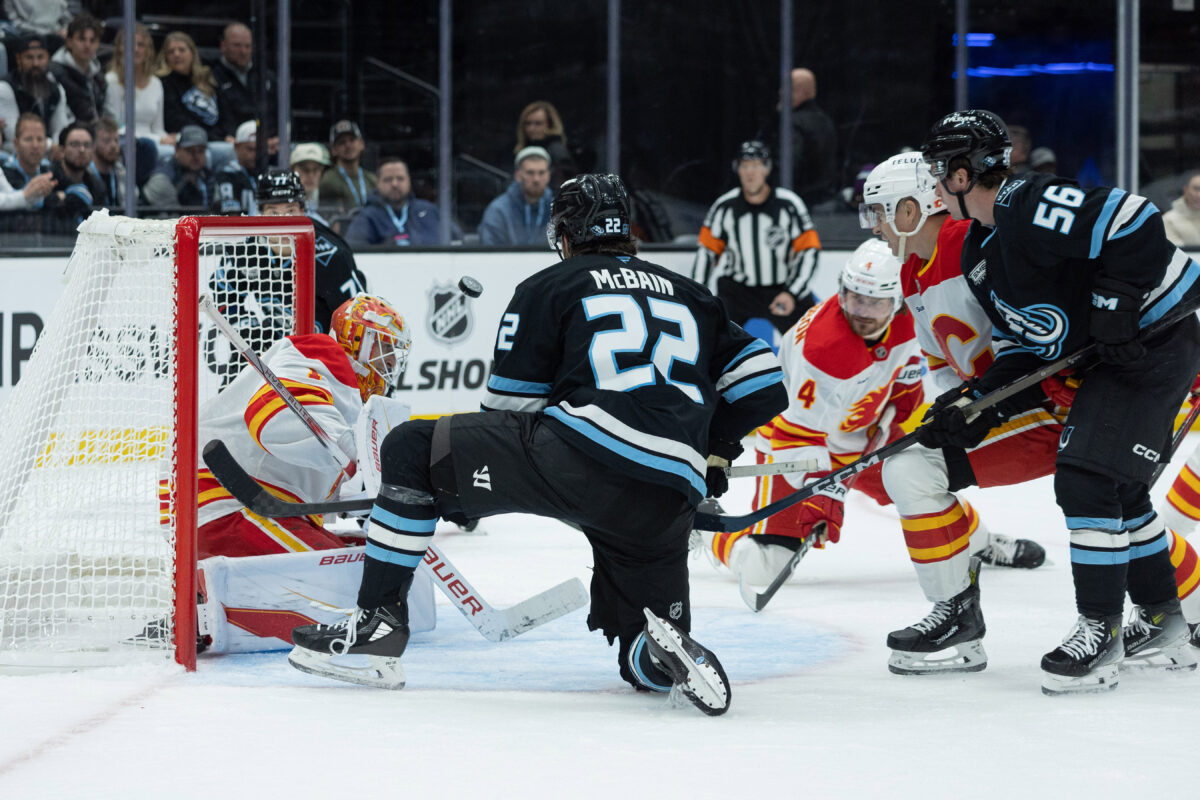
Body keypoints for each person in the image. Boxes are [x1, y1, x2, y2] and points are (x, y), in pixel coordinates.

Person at [288, 173, 788, 715]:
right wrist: (713, 449)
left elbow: (508, 412)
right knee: (642, 648)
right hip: (671, 493)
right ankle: (657, 651)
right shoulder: (694, 295)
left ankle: (378, 621)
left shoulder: (550, 285)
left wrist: (454, 488)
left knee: (413, 448)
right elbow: (766, 386)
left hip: (578, 457)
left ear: (567, 233)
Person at [916, 109, 1200, 694]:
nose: (936, 187)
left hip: (1159, 338)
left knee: (1085, 479)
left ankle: (1100, 634)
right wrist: (980, 402)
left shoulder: (1027, 201)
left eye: (941, 173)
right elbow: (1028, 345)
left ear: (967, 175)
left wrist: (1118, 303)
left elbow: (1134, 219)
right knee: (1117, 490)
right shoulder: (978, 253)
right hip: (1114, 357)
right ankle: (1165, 624)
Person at [704, 239, 926, 581]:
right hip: (791, 443)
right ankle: (708, 526)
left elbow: (905, 375)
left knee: (924, 486)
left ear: (896, 303)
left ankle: (981, 543)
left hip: (862, 435)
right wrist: (822, 495)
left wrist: (906, 395)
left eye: (875, 303)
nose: (862, 313)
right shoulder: (825, 348)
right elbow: (798, 434)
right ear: (842, 291)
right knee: (764, 570)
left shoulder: (911, 318)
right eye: (856, 299)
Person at [693, 140, 821, 335]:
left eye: (756, 165)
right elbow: (707, 252)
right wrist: (696, 294)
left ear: (766, 169)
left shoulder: (789, 204)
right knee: (712, 336)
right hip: (738, 291)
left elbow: (809, 250)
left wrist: (792, 292)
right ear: (738, 170)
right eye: (745, 166)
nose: (750, 172)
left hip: (781, 287)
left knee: (809, 339)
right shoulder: (725, 206)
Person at [256, 168, 367, 333]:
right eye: (273, 212)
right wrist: (243, 326)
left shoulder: (331, 255)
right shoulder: (248, 247)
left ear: (302, 210)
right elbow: (221, 292)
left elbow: (358, 319)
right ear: (260, 214)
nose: (283, 222)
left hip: (322, 350)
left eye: (291, 211)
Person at [345, 157, 442, 247]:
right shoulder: (367, 217)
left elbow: (455, 242)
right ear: (378, 184)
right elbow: (356, 252)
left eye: (400, 178)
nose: (394, 184)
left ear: (409, 182)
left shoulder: (429, 211)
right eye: (388, 179)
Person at [0, 34, 74, 150]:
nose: (35, 64)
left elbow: (61, 129)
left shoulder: (56, 89)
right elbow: (14, 135)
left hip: (45, 153)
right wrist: (51, 147)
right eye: (29, 58)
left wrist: (59, 146)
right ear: (19, 59)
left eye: (40, 57)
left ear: (48, 58)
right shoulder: (5, 88)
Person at [209, 22, 277, 146]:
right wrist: (223, 138)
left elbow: (281, 114)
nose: (243, 51)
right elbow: (207, 117)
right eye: (237, 45)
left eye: (248, 46)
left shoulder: (267, 77)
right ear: (223, 45)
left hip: (268, 144)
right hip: (230, 144)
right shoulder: (210, 77)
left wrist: (276, 138)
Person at [156, 31, 228, 144]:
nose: (177, 54)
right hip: (191, 140)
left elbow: (225, 111)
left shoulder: (207, 77)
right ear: (165, 57)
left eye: (182, 50)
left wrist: (228, 134)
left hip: (218, 137)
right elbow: (177, 119)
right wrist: (216, 137)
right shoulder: (163, 83)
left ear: (192, 53)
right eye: (171, 51)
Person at [103, 24, 167, 146]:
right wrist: (156, 140)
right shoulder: (111, 80)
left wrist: (169, 140)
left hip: (153, 143)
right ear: (120, 49)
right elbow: (115, 125)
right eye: (130, 44)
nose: (136, 49)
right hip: (123, 142)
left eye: (141, 45)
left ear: (148, 50)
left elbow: (158, 129)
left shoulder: (156, 83)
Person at [478, 145, 553, 246]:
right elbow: (490, 254)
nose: (536, 179)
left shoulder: (558, 210)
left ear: (548, 176)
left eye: (541, 173)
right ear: (518, 175)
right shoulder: (499, 210)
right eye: (530, 173)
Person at [784, 68, 837, 207]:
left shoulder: (793, 123)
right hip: (826, 201)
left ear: (801, 92)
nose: (781, 93)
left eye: (788, 89)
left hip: (801, 201)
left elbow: (792, 163)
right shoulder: (825, 120)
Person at [48, 13, 105, 124]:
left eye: (92, 40)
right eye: (81, 39)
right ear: (69, 42)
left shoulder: (98, 74)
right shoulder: (54, 72)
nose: (87, 45)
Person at [142, 124, 214, 210]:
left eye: (201, 151)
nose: (196, 156)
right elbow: (173, 219)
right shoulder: (161, 179)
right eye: (190, 151)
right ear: (177, 151)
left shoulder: (206, 175)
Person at [49, 119, 102, 227]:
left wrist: (64, 198)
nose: (82, 150)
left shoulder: (97, 185)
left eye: (87, 145)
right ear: (62, 150)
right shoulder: (48, 180)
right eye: (75, 144)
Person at [513, 100, 576, 189]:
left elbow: (565, 187)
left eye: (538, 123)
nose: (531, 128)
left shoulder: (557, 151)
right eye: (528, 123)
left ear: (550, 125)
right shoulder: (523, 150)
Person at [318, 120, 375, 218]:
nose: (348, 145)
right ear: (333, 150)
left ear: (362, 144)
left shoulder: (372, 180)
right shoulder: (328, 180)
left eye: (352, 140)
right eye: (342, 142)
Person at [212, 119, 258, 214]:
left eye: (258, 149)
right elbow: (230, 216)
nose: (255, 154)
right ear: (236, 147)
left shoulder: (266, 173)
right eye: (250, 149)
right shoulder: (226, 176)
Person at [89, 115, 123, 206]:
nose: (113, 146)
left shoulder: (121, 173)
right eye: (107, 140)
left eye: (116, 140)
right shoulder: (86, 175)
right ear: (93, 144)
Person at [290, 141, 330, 221]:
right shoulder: (282, 204)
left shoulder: (328, 197)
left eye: (315, 170)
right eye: (305, 169)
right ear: (293, 171)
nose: (311, 175)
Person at [1162, 170, 1200, 247]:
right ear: (1186, 190)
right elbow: (1177, 254)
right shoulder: (1168, 220)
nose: (1199, 195)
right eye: (1196, 189)